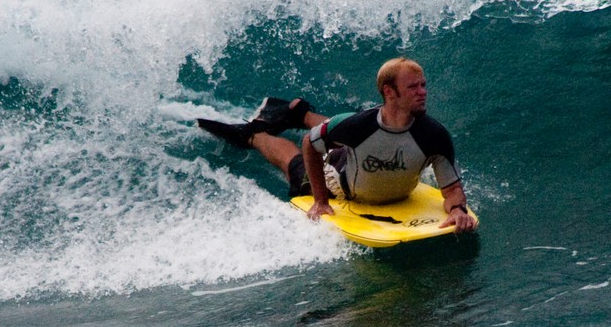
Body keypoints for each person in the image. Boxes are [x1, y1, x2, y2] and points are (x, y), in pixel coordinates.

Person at [197, 57, 477, 233]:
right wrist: (320, 200)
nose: (423, 92)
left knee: (345, 133)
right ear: (389, 93)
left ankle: (299, 114)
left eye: (424, 85)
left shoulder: (434, 135)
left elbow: (452, 190)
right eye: (414, 87)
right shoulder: (359, 125)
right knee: (298, 162)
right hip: (338, 182)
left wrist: (456, 210)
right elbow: (309, 142)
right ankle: (255, 134)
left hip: (362, 154)